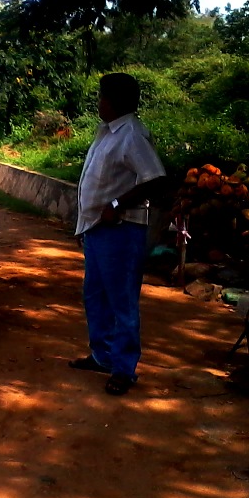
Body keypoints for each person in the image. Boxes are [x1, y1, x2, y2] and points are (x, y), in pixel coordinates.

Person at [70, 72, 167, 395]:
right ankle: (102, 356)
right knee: (95, 296)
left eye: (101, 96)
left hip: (121, 231)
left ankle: (124, 369)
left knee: (122, 301)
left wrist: (116, 204)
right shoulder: (108, 132)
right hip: (98, 229)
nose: (98, 102)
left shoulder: (132, 135)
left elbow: (154, 178)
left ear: (112, 101)